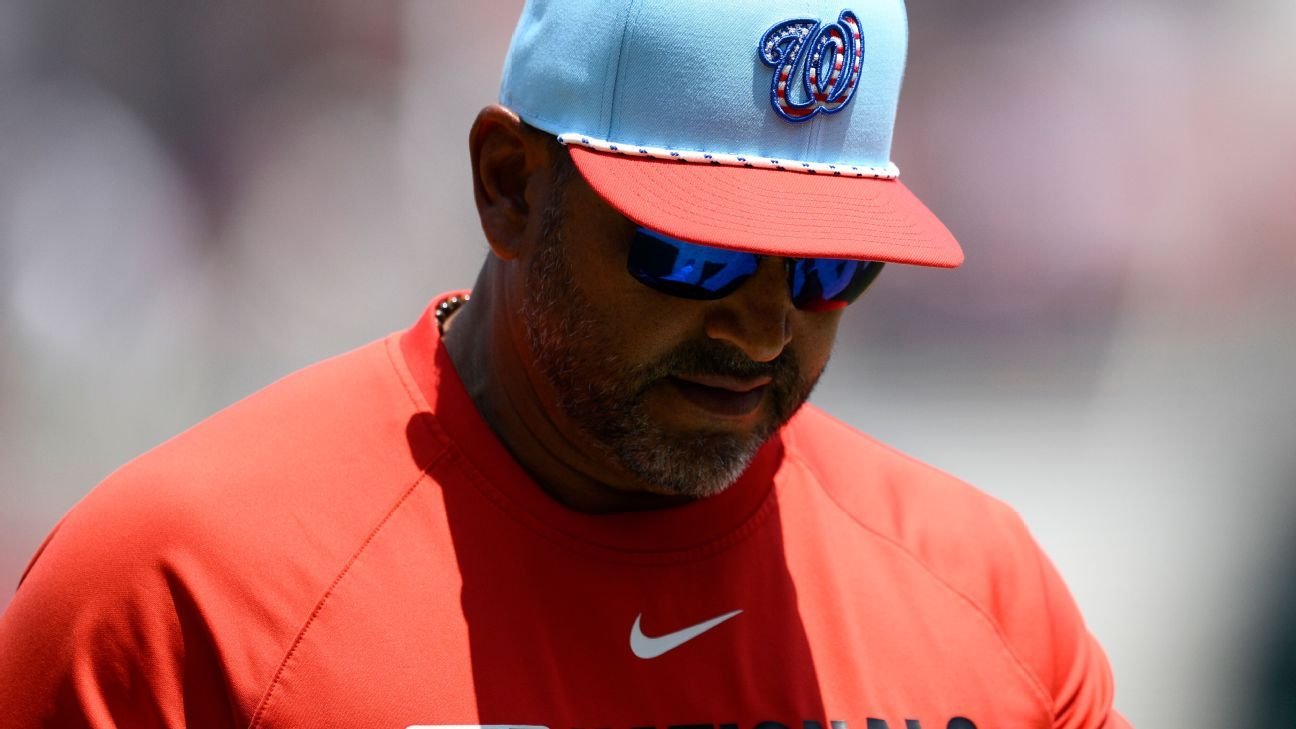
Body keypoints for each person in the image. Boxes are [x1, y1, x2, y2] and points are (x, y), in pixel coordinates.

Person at [0, 0, 1130, 727]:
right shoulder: (172, 597)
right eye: (694, 254)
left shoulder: (987, 599)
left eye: (830, 270)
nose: (763, 333)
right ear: (508, 186)